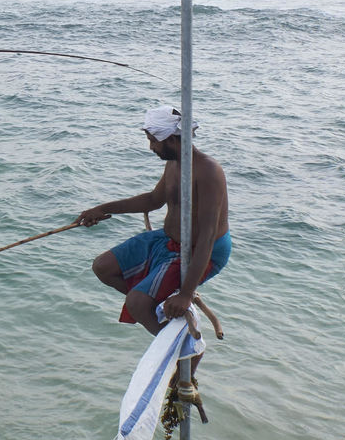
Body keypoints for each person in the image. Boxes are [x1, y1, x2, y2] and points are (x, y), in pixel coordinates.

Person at [76, 106, 231, 353]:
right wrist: (103, 208)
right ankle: (158, 305)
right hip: (167, 239)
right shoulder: (174, 163)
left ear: (170, 138)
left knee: (137, 302)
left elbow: (207, 238)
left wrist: (186, 294)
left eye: (153, 141)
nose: (151, 148)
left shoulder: (208, 171)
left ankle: (185, 353)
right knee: (103, 267)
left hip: (201, 250)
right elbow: (153, 200)